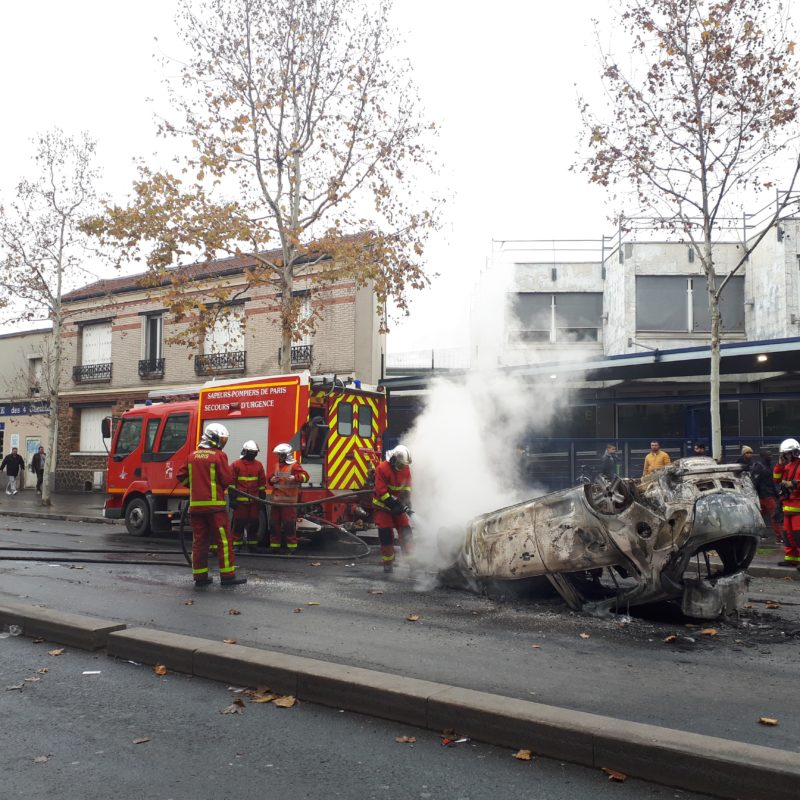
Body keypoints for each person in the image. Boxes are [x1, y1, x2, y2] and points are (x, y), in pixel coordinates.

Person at [176, 423, 246, 588]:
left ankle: (200, 577)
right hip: (215, 509)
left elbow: (181, 476)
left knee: (199, 542)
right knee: (223, 542)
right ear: (214, 439)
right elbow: (227, 480)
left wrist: (195, 487)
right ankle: (228, 576)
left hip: (196, 508)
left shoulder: (192, 456)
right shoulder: (218, 456)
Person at [373, 444, 414, 574]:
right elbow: (382, 492)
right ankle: (388, 563)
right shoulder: (382, 469)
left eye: (404, 465)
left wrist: (406, 501)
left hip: (397, 506)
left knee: (406, 532)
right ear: (393, 459)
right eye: (400, 464)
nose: (402, 467)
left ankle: (412, 563)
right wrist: (393, 504)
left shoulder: (405, 469)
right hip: (383, 507)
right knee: (386, 534)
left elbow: (407, 487)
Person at [268, 443, 310, 553]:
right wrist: (271, 480)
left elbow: (306, 476)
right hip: (276, 503)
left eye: (279, 454)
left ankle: (291, 548)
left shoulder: (294, 465)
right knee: (274, 525)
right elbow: (271, 478)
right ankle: (275, 547)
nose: (278, 456)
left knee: (289, 526)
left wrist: (295, 478)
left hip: (288, 503)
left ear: (285, 455)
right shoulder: (277, 465)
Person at [230, 440, 267, 551]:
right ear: (245, 452)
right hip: (240, 502)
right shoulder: (236, 464)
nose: (253, 454)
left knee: (254, 524)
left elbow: (261, 483)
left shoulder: (258, 465)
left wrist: (262, 498)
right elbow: (231, 483)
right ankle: (237, 544)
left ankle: (252, 545)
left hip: (254, 502)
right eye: (251, 452)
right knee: (239, 523)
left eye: (255, 452)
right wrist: (232, 499)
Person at [773, 438, 800, 567]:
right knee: (788, 535)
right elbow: (776, 479)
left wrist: (793, 484)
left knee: (798, 535)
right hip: (787, 506)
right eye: (784, 454)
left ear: (794, 452)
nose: (786, 456)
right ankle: (792, 559)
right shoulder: (787, 466)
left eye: (787, 453)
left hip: (797, 507)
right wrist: (779, 465)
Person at [750, 449, 783, 544]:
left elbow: (772, 482)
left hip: (767, 495)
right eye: (768, 455)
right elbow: (756, 482)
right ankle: (779, 537)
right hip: (765, 495)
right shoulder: (760, 467)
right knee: (775, 515)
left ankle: (756, 534)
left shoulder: (768, 466)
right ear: (763, 456)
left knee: (760, 516)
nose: (770, 457)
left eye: (771, 455)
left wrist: (776, 493)